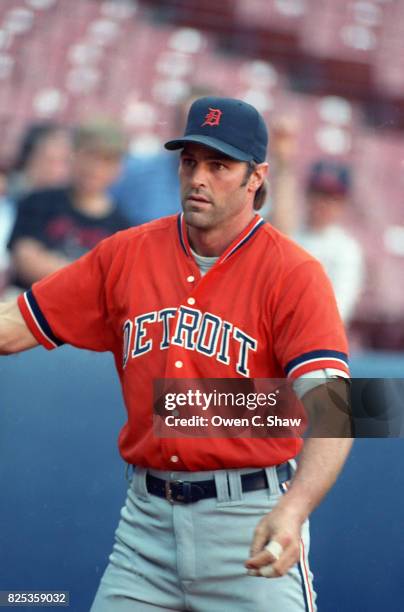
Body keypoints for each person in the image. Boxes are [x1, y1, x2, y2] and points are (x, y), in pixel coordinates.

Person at [0, 97, 353, 611]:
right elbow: (14, 327)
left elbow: (336, 409)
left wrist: (294, 509)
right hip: (145, 530)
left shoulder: (294, 273)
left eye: (219, 165)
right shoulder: (126, 253)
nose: (198, 178)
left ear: (256, 177)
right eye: (189, 161)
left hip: (250, 523)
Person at [8, 120, 130, 290]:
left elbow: (113, 286)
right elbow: (27, 261)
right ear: (72, 155)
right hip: (26, 301)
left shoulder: (124, 228)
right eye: (89, 155)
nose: (95, 168)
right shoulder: (38, 201)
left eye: (106, 160)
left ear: (119, 168)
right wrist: (91, 276)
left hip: (82, 313)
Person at [268, 118, 364, 325]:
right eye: (319, 193)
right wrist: (283, 163)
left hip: (312, 339)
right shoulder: (291, 229)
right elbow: (278, 223)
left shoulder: (346, 249)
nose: (323, 203)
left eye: (332, 197)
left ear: (342, 202)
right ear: (308, 194)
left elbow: (338, 311)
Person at [110, 86, 214, 225]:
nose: (196, 137)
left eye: (204, 127)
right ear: (176, 126)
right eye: (187, 123)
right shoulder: (135, 171)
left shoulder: (232, 186)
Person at [7, 121, 73, 202]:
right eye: (51, 161)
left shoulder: (69, 200)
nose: (60, 171)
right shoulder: (8, 191)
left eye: (65, 163)